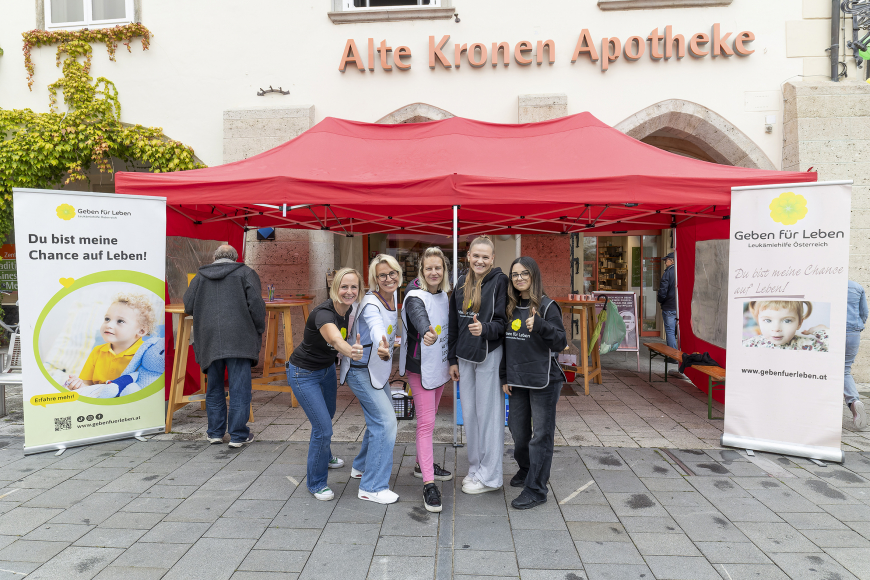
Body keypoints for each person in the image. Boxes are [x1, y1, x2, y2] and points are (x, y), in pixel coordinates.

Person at [288, 267, 363, 501]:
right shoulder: (323, 313)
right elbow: (334, 338)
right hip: (303, 373)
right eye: (344, 286)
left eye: (353, 287)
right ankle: (316, 482)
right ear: (334, 288)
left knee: (327, 416)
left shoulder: (350, 309)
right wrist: (350, 351)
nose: (349, 291)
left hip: (327, 370)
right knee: (323, 428)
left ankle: (325, 454)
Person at [183, 244, 266, 448]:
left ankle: (215, 433)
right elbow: (256, 306)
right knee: (240, 388)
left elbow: (188, 305)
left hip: (209, 338)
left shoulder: (200, 276)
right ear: (236, 257)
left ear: (215, 257)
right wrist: (258, 329)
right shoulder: (246, 273)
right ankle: (238, 435)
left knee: (214, 386)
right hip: (240, 337)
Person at [501, 257, 568, 510]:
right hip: (518, 379)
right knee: (518, 430)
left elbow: (560, 341)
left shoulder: (548, 306)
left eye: (524, 274)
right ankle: (527, 468)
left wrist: (540, 325)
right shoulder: (510, 306)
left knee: (541, 436)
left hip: (545, 380)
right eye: (515, 274)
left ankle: (537, 488)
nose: (519, 278)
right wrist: (504, 376)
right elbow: (507, 344)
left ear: (534, 276)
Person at [448, 236, 509, 495]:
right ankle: (475, 468)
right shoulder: (461, 281)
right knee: (470, 415)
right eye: (476, 256)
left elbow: (504, 323)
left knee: (489, 416)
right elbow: (453, 322)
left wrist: (484, 328)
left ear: (492, 258)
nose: (480, 261)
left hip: (489, 353)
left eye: (485, 257)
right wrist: (451, 359)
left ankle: (491, 476)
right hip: (464, 356)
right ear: (469, 256)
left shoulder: (500, 281)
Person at [340, 255, 401, 505]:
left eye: (392, 273)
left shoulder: (394, 296)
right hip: (361, 370)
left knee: (381, 420)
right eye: (382, 275)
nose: (388, 278)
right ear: (375, 279)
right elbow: (376, 327)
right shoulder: (372, 302)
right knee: (386, 423)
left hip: (376, 371)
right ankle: (372, 487)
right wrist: (382, 345)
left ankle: (361, 467)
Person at [399, 247, 453, 513]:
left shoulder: (444, 296)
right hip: (420, 368)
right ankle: (429, 485)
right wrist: (426, 332)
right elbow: (420, 316)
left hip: (440, 367)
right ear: (422, 270)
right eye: (429, 268)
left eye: (438, 268)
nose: (434, 272)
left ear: (444, 271)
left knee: (430, 422)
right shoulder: (414, 296)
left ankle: (423, 465)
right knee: (427, 424)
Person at [66, 293, 157, 397]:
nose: (108, 325)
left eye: (120, 321)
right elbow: (88, 384)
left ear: (141, 331)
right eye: (107, 319)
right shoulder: (97, 351)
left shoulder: (146, 354)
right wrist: (79, 385)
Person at [741, 301, 828, 351]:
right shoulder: (749, 345)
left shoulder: (811, 346)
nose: (776, 329)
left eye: (787, 321)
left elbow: (837, 353)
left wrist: (823, 331)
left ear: (799, 323)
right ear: (759, 321)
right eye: (768, 320)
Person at [846, 280, 868, 429]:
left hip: (830, 331)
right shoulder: (857, 287)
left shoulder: (826, 282)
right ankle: (855, 402)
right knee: (845, 370)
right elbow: (864, 313)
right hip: (852, 333)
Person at [657, 251, 678, 354]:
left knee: (670, 331)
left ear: (672, 261)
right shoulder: (681, 272)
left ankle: (672, 355)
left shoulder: (667, 273)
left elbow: (663, 292)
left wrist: (660, 300)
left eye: (667, 260)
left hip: (669, 306)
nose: (665, 263)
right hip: (679, 307)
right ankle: (680, 353)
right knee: (678, 331)